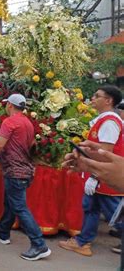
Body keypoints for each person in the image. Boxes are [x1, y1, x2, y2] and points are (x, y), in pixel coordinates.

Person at [0, 93, 51, 261]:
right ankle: (3, 233)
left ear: (9, 105)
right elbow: (32, 145)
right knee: (10, 202)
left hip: (15, 172)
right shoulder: (28, 123)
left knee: (20, 207)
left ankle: (39, 245)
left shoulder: (9, 122)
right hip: (24, 170)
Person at [59, 85, 123, 257]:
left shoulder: (109, 121)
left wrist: (94, 177)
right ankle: (82, 241)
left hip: (105, 177)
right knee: (91, 207)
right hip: (100, 176)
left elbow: (105, 153)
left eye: (97, 96)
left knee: (114, 215)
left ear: (109, 101)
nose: (92, 99)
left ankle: (83, 241)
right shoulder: (104, 120)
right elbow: (101, 147)